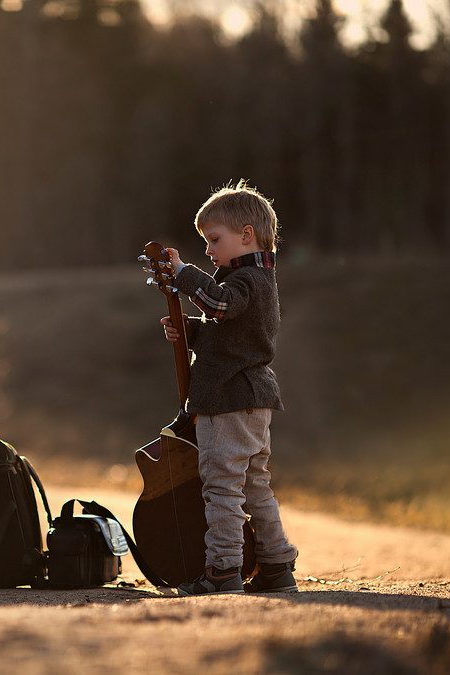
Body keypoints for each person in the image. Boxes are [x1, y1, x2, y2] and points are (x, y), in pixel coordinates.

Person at [159, 180, 299, 595]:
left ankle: (223, 570)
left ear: (246, 235)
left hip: (228, 401)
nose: (208, 250)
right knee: (254, 485)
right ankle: (277, 564)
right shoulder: (256, 280)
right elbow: (231, 337)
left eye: (214, 239)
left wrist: (183, 274)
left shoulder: (247, 281)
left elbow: (219, 304)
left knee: (221, 487)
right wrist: (189, 332)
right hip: (252, 399)